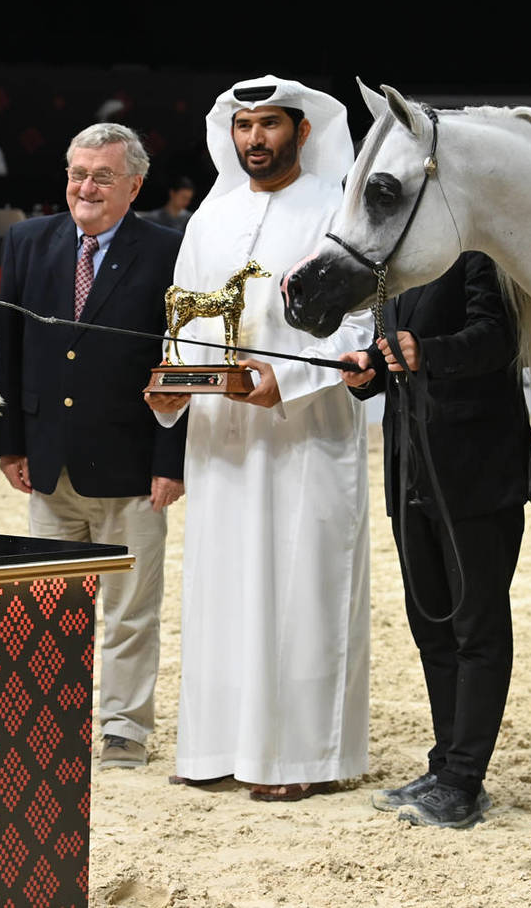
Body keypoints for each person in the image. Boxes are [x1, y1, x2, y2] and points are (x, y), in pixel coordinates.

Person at [145, 75, 372, 800]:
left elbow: (361, 325)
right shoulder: (210, 217)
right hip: (221, 439)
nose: (254, 140)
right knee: (221, 588)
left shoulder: (337, 210)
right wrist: (170, 386)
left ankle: (302, 761)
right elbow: (181, 322)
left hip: (307, 438)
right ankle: (216, 749)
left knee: (301, 588)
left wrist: (289, 382)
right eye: (243, 127)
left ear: (301, 132)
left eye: (269, 125)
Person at [0, 122, 186, 770]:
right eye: (78, 172)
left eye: (103, 175)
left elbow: (178, 363)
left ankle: (124, 727)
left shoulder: (167, 252)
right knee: (49, 605)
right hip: (48, 464)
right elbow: (9, 348)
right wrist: (8, 442)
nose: (86, 187)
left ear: (134, 184)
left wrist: (171, 460)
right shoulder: (27, 240)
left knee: (131, 611)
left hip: (133, 468)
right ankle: (50, 721)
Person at [338, 253, 531, 828]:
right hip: (410, 470)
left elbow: (501, 337)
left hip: (476, 473)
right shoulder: (392, 270)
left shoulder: (480, 255)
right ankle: (445, 762)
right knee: (432, 627)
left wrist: (430, 353)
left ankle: (464, 780)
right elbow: (395, 349)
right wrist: (369, 370)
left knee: (477, 627)